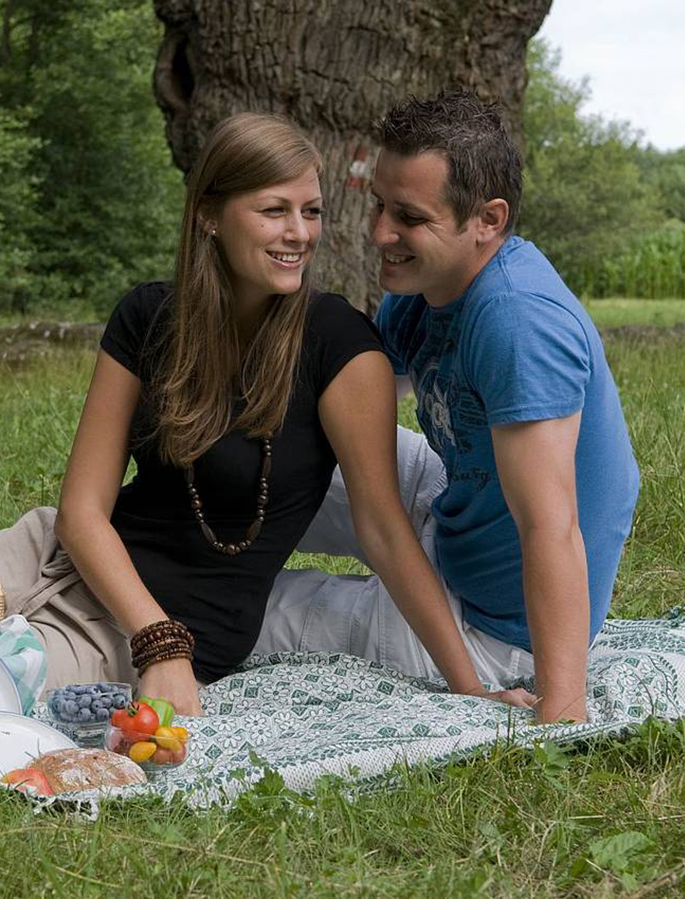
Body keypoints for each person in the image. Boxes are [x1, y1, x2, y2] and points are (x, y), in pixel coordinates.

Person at [0, 112, 535, 717]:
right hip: (50, 560)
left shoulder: (341, 346)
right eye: (275, 210)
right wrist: (151, 632)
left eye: (311, 211)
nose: (299, 233)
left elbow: (384, 529)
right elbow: (81, 512)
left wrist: (470, 685)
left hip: (164, 632)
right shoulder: (148, 317)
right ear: (210, 213)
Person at [258, 92, 640, 725]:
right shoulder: (424, 286)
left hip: (496, 624)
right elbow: (346, 412)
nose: (379, 232)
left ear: (487, 219)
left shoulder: (518, 321)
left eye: (408, 216)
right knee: (267, 469)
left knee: (257, 608)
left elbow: (553, 526)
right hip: (457, 507)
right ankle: (140, 540)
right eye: (379, 203)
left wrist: (562, 709)